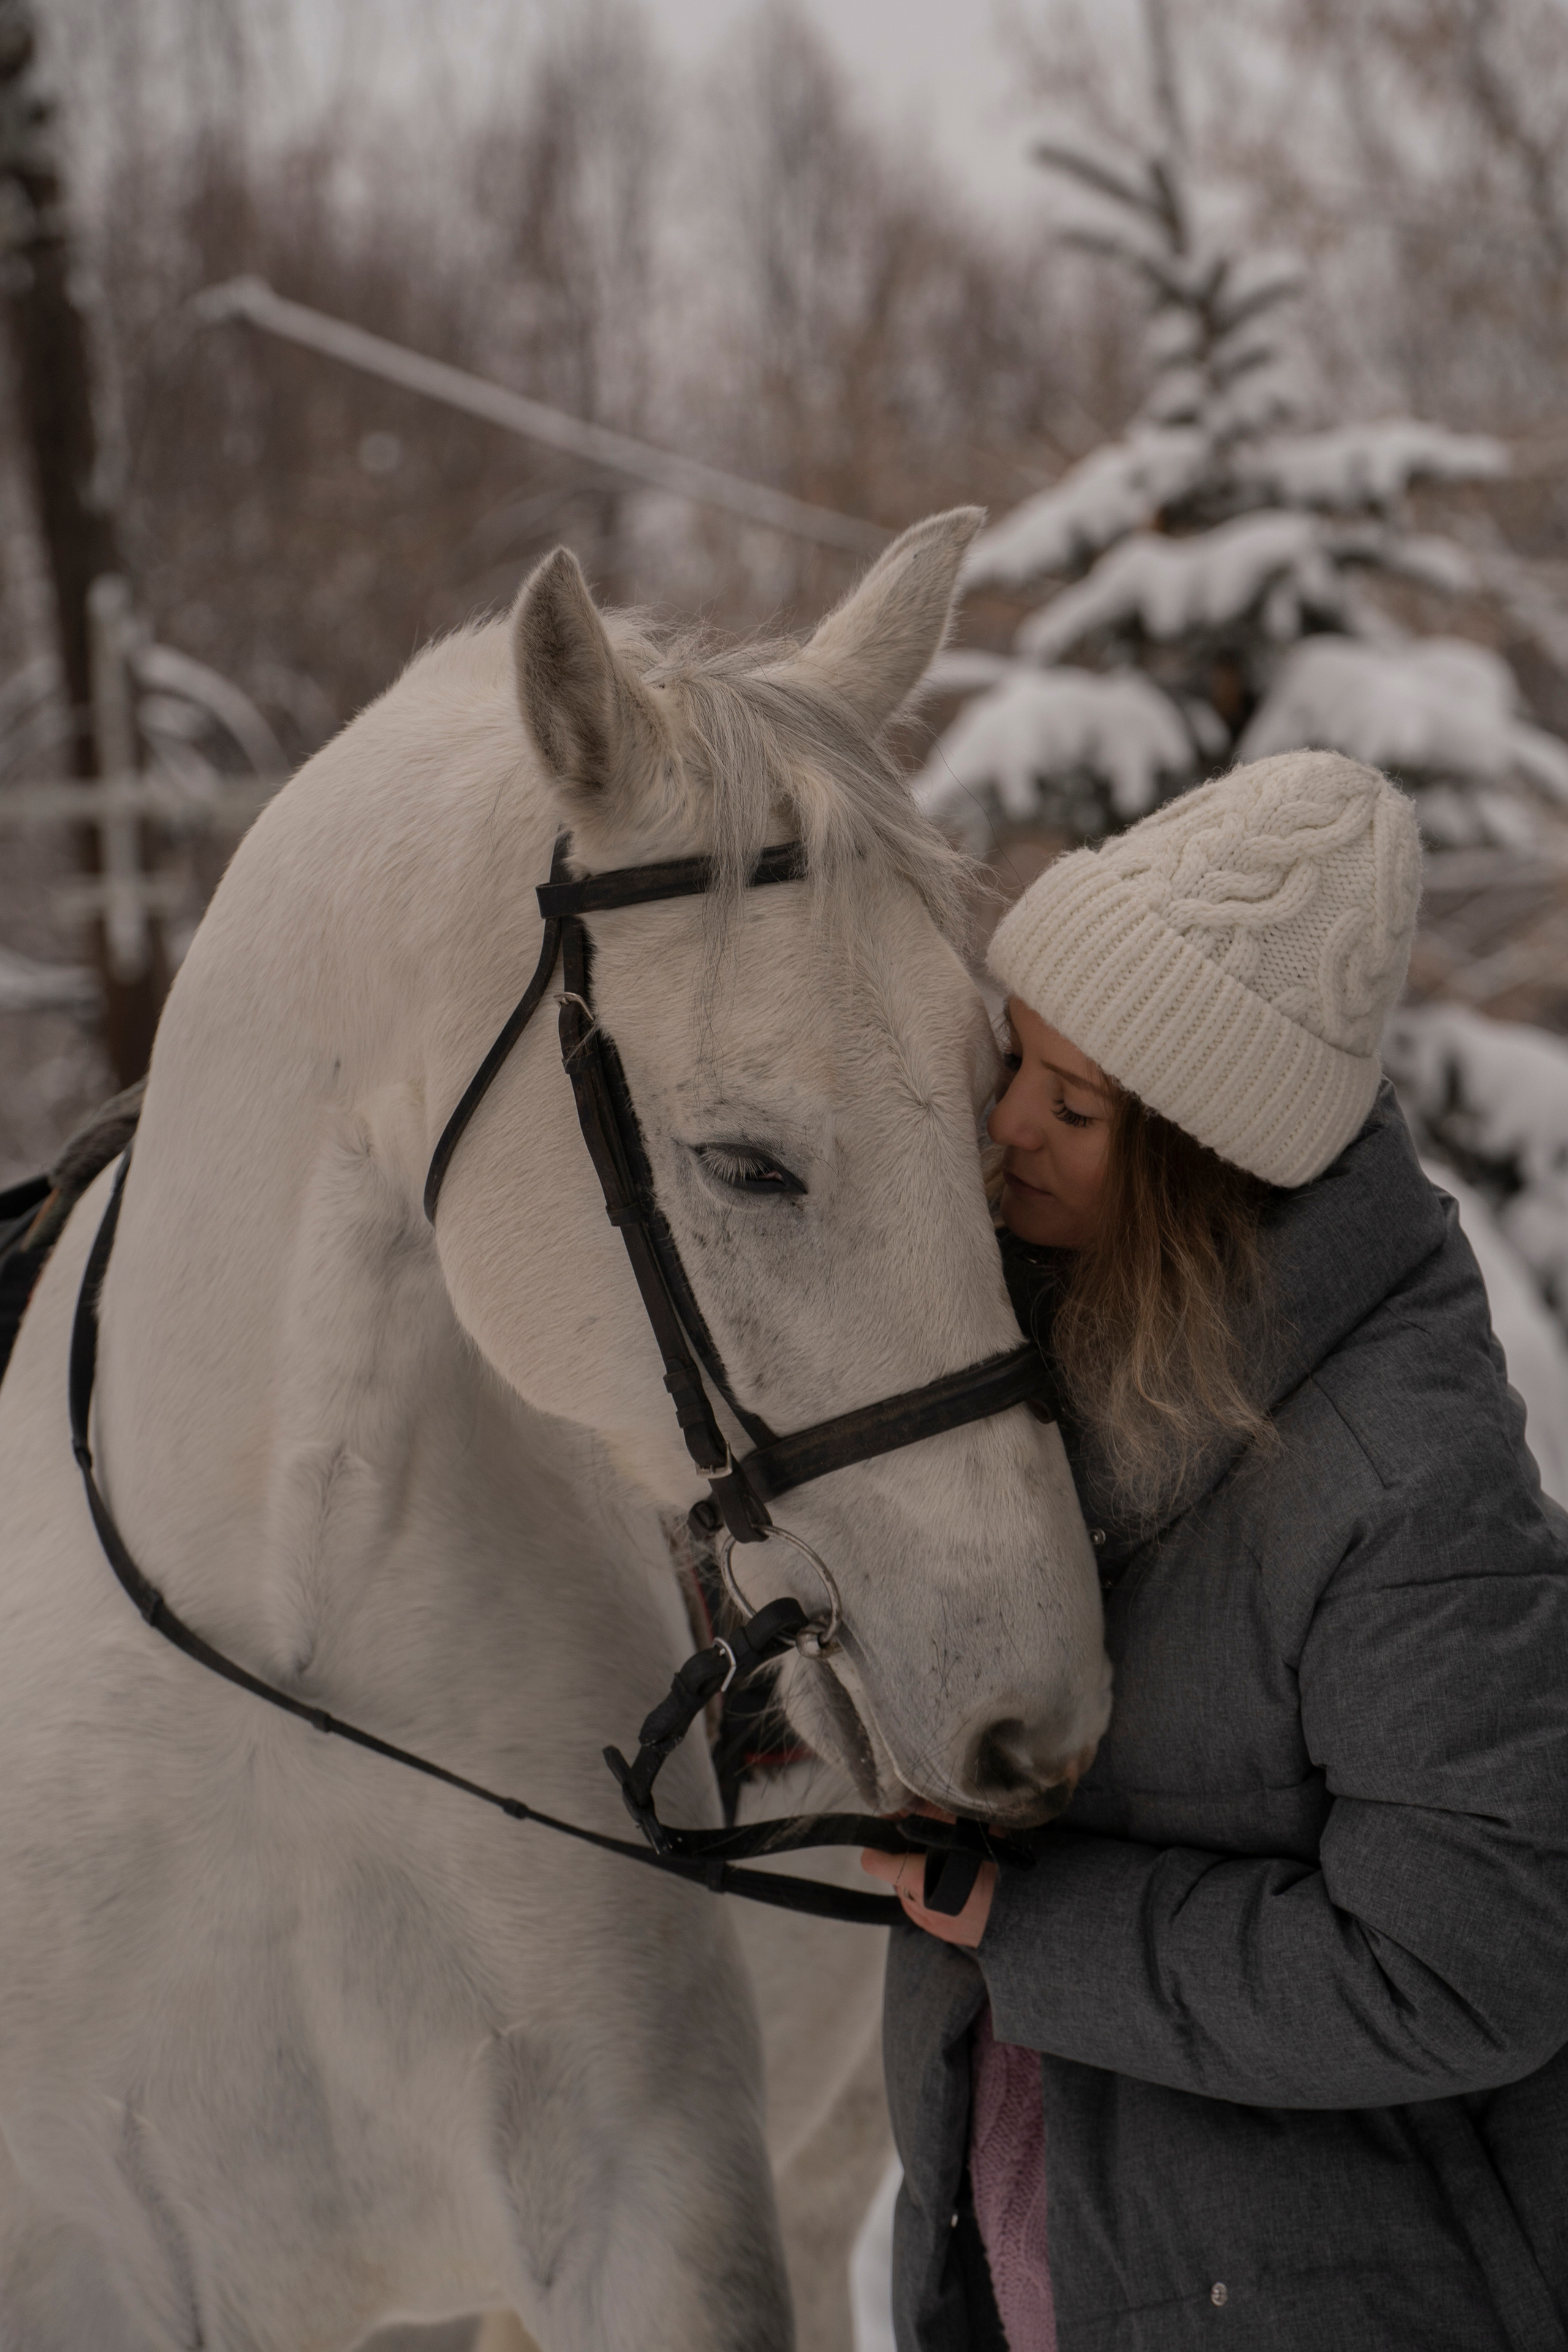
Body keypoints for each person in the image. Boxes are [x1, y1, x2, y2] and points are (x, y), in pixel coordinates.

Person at [862, 750, 1568, 2352]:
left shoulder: (1401, 1483)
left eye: (1077, 1105)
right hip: (1056, 2258)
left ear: (1206, 1160)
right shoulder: (1067, 1333)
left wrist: (1033, 1922)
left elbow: (1464, 1971)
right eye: (1014, 1065)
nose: (1007, 1131)